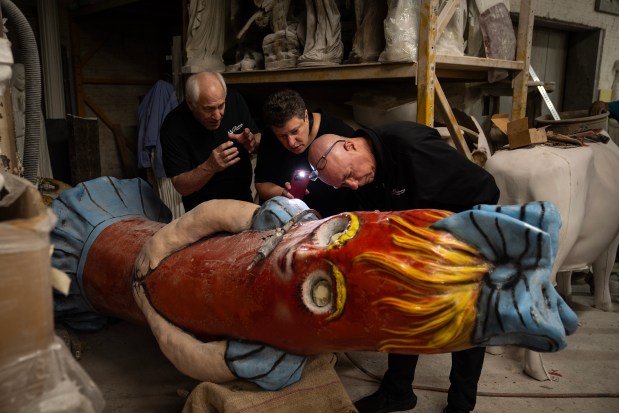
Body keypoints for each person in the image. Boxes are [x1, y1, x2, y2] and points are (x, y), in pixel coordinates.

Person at [307, 121, 500, 413]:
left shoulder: (411, 147)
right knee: (400, 305)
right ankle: (398, 391)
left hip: (469, 223)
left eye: (349, 176)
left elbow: (486, 188)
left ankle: (460, 404)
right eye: (344, 184)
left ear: (350, 145)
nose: (354, 184)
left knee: (467, 315)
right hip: (417, 236)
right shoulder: (361, 174)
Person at [160, 71, 260, 212]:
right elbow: (181, 186)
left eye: (221, 106)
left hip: (242, 200)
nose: (217, 115)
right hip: (203, 210)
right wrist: (210, 166)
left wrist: (252, 143)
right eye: (209, 109)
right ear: (190, 103)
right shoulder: (173, 126)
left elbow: (258, 137)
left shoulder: (234, 99)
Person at [255, 89, 357, 217]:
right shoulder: (270, 137)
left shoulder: (339, 132)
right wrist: (283, 193)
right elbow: (261, 184)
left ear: (306, 116)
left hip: (338, 217)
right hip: (292, 219)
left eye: (295, 131)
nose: (291, 142)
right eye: (282, 136)